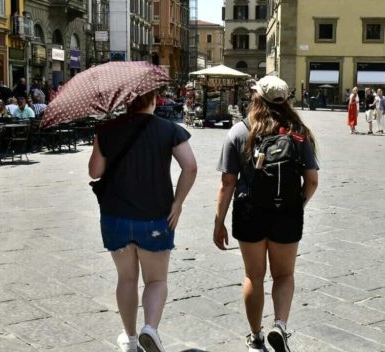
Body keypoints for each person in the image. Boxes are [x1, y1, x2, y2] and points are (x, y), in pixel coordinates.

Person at [214, 76, 319, 352]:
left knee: (254, 276)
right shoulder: (298, 132)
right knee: (284, 276)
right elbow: (312, 182)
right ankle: (280, 326)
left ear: (256, 98)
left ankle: (256, 337)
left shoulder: (240, 131)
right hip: (287, 213)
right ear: (285, 100)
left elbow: (227, 183)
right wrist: (297, 205)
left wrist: (219, 222)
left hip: (250, 212)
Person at [88, 90, 197, 352]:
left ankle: (130, 338)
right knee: (156, 280)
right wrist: (178, 203)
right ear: (154, 99)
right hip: (157, 216)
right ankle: (150, 328)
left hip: (115, 216)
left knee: (126, 279)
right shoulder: (169, 129)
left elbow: (94, 171)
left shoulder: (107, 129)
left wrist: (99, 140)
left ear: (126, 101)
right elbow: (190, 166)